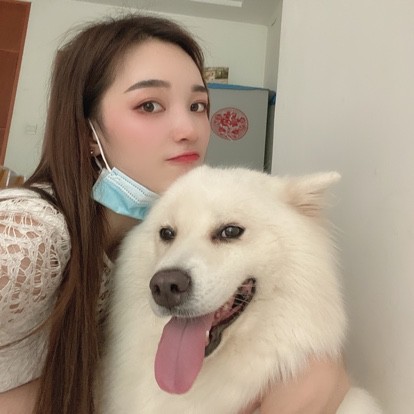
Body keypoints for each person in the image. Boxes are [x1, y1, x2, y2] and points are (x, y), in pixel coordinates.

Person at [0, 14, 350, 414]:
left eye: (198, 105)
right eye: (149, 105)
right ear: (88, 135)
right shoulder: (28, 238)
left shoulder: (138, 232)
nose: (188, 129)